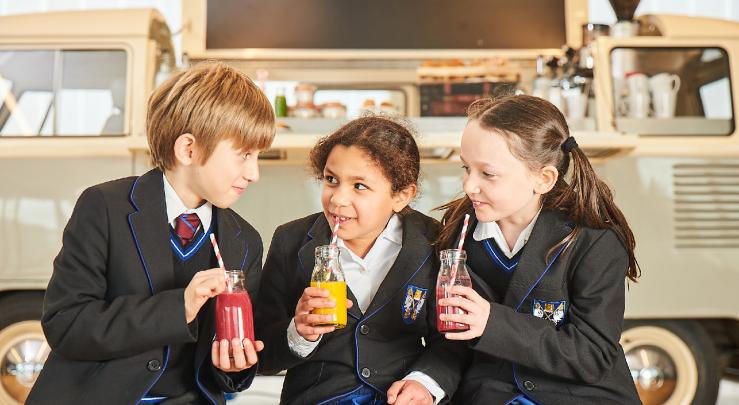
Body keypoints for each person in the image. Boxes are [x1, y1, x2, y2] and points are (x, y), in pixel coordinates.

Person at [27, 61, 275, 405]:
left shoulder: (245, 241)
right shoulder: (105, 207)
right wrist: (179, 307)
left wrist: (234, 367)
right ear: (188, 149)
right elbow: (66, 325)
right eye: (244, 155)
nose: (254, 173)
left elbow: (230, 373)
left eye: (259, 156)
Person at [435, 95, 641, 404]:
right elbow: (450, 343)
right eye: (466, 168)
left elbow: (592, 354)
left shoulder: (594, 238)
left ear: (543, 179)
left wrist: (492, 323)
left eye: (487, 174)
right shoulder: (459, 229)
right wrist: (424, 381)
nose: (468, 185)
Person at [256, 116, 466, 405]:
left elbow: (450, 341)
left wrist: (424, 383)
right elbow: (262, 353)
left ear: (402, 196)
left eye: (359, 186)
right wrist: (298, 332)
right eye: (331, 180)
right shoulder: (290, 241)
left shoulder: (434, 242)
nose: (338, 200)